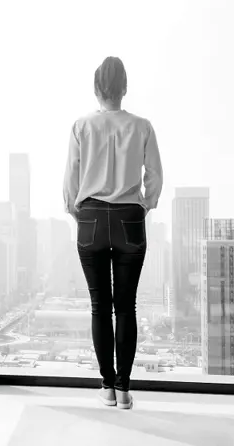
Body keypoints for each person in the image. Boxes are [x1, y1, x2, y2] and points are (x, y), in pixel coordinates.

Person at [62, 56, 163, 410]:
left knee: (99, 307)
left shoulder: (81, 126)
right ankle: (123, 390)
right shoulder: (142, 126)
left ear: (96, 89)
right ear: (124, 88)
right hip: (129, 219)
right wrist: (145, 204)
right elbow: (155, 175)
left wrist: (76, 211)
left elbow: (70, 181)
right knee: (126, 307)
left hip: (90, 218)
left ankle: (106, 386)